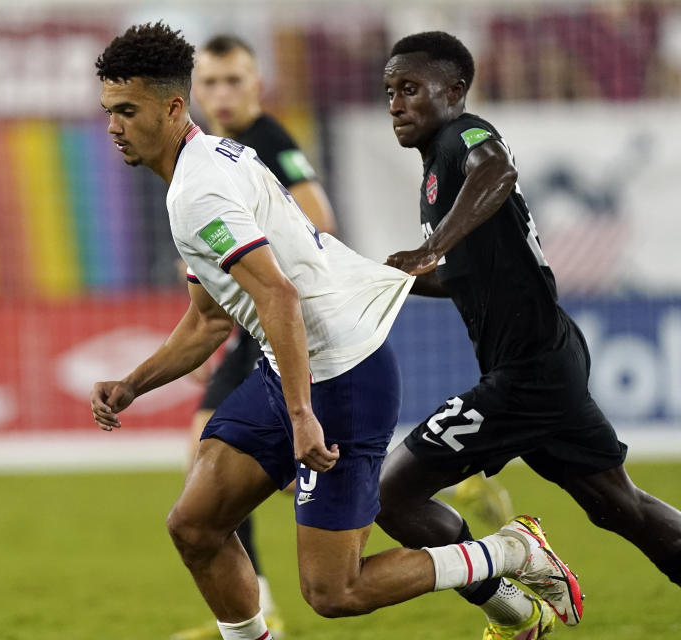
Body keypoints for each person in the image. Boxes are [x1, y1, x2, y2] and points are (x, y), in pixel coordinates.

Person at [89, 22, 582, 640]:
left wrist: (301, 415)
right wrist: (135, 384)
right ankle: (509, 611)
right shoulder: (211, 159)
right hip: (295, 365)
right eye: (109, 111)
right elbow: (212, 317)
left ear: (172, 106)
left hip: (340, 376)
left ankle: (509, 552)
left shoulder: (199, 192)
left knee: (334, 592)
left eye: (127, 111)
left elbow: (278, 294)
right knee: (195, 524)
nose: (113, 126)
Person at [377, 30, 681, 640]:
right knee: (617, 505)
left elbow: (499, 168)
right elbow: (468, 281)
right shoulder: (434, 178)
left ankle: (514, 598)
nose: (396, 103)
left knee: (390, 496)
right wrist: (391, 280)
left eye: (410, 89)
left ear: (455, 91)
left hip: (526, 376)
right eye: (389, 92)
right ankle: (516, 594)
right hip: (545, 361)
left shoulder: (463, 138)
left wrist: (432, 248)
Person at [172, 33, 338, 640]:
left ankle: (424, 493)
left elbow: (319, 216)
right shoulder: (209, 150)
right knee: (210, 464)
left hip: (279, 323)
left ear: (257, 85)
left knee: (226, 467)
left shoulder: (267, 139)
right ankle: (257, 609)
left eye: (233, 81)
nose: (220, 94)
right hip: (246, 328)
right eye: (209, 83)